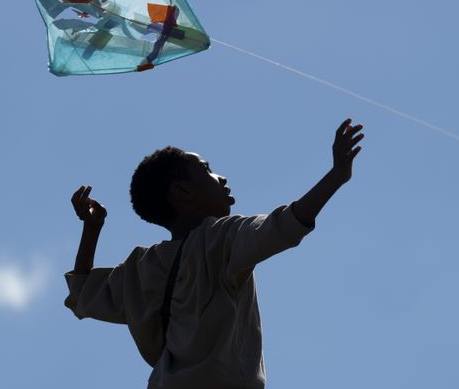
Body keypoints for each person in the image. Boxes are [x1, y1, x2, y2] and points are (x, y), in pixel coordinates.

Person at [64, 118, 365, 389]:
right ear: (183, 192)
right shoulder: (221, 238)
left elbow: (81, 296)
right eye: (207, 169)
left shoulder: (140, 268)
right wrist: (336, 176)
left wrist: (91, 229)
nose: (220, 177)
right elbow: (285, 225)